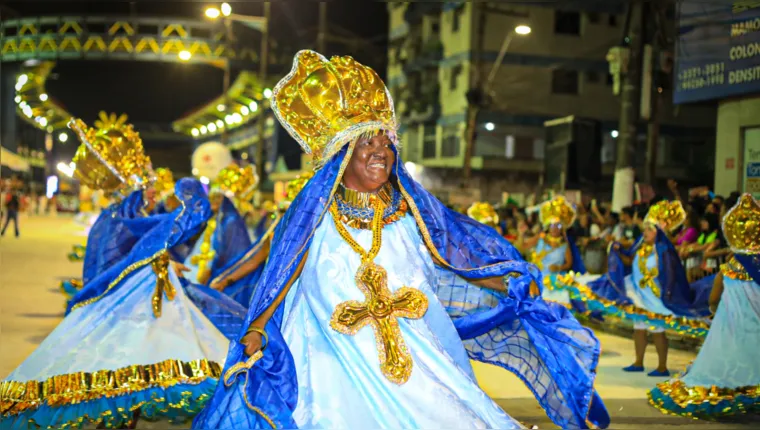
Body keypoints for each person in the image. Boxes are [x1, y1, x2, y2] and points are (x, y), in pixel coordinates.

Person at [193, 50, 609, 430]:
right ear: (341, 156)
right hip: (330, 359)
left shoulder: (410, 217)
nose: (380, 152)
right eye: (366, 143)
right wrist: (260, 326)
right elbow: (287, 266)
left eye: (385, 143)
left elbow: (455, 259)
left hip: (418, 358)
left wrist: (508, 282)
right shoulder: (315, 217)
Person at [649, 194, 760, 419]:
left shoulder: (729, 266)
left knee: (728, 365)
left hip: (731, 328)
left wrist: (714, 312)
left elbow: (714, 298)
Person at [209, 171, 313, 306]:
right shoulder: (275, 234)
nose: (284, 217)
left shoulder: (314, 236)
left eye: (289, 211)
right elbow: (255, 259)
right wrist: (225, 281)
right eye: (282, 211)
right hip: (272, 294)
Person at [523, 196, 587, 305]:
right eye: (553, 224)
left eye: (558, 225)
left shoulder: (564, 245)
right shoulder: (540, 238)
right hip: (537, 279)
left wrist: (558, 267)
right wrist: (521, 233)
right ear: (548, 225)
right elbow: (524, 247)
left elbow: (569, 263)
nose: (555, 228)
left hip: (555, 280)